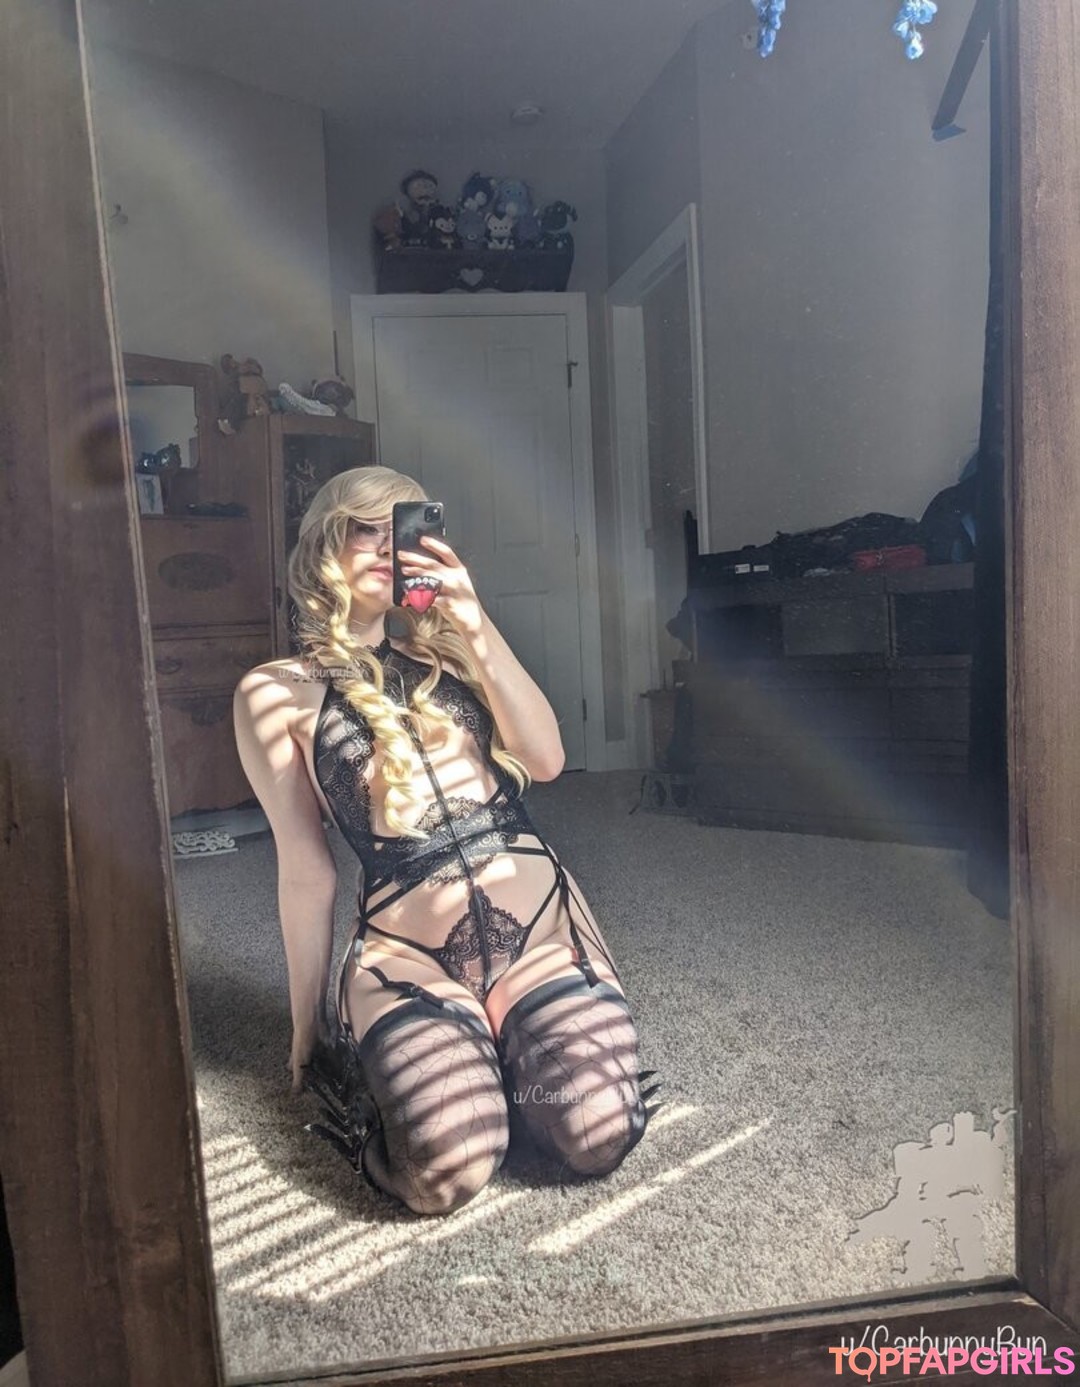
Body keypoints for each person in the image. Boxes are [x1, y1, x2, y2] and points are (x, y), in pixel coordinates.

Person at [234, 466, 660, 1216]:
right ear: (324, 544)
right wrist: (307, 1026)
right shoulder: (273, 693)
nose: (383, 546)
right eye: (363, 528)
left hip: (541, 937)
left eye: (399, 529)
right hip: (408, 961)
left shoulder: (453, 656)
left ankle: (510, 1063)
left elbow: (547, 760)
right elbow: (305, 870)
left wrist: (475, 622)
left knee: (595, 1133)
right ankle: (464, 1076)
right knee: (441, 1172)